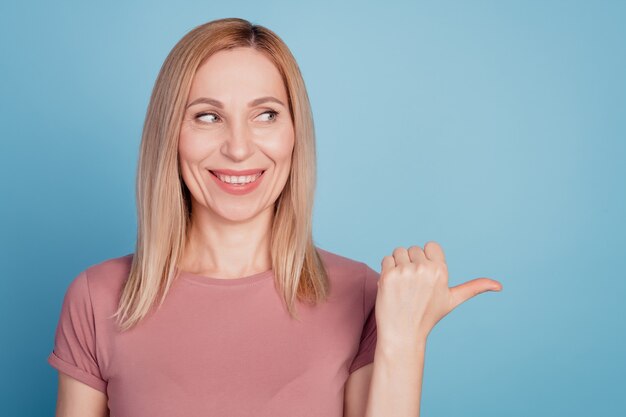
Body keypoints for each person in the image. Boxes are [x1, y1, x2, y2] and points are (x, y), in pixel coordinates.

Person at [47, 17, 502, 417]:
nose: (240, 148)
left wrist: (404, 342)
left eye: (266, 114)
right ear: (170, 136)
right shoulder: (98, 298)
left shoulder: (362, 295)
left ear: (294, 134)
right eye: (207, 117)